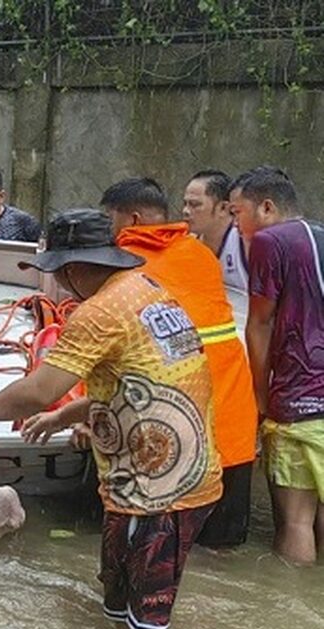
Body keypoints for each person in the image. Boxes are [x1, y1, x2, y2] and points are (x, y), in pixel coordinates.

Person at [0, 209, 221, 629]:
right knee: (117, 614)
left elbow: (40, 389)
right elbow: (137, 382)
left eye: (59, 275)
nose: (60, 285)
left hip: (159, 494)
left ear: (75, 269)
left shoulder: (98, 313)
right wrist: (65, 416)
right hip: (167, 476)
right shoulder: (149, 289)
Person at [100, 176, 257, 548]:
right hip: (233, 425)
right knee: (221, 551)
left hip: (174, 435)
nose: (108, 228)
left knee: (158, 551)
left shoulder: (123, 265)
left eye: (110, 219)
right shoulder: (201, 255)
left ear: (132, 219)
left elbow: (104, 349)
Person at [232, 166, 324, 564]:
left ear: (266, 207)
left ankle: (292, 592)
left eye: (237, 213)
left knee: (295, 522)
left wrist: (260, 396)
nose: (236, 225)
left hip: (299, 398)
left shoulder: (270, 241)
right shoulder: (319, 234)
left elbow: (259, 322)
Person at [182, 169, 247, 292]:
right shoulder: (186, 244)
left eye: (195, 204)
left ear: (223, 208)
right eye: (185, 203)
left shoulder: (245, 243)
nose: (185, 211)